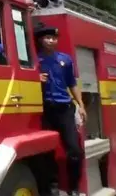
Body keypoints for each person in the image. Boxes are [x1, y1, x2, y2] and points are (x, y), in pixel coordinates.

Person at [34, 23, 85, 196]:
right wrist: (35, 78)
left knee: (75, 150)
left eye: (54, 38)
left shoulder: (66, 59)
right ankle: (53, 186)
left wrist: (81, 105)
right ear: (41, 40)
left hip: (65, 109)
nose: (51, 40)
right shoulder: (35, 61)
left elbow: (72, 83)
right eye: (47, 37)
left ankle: (74, 187)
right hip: (46, 111)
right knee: (47, 152)